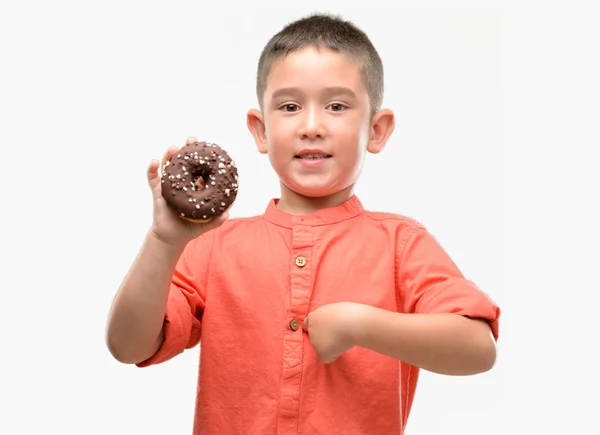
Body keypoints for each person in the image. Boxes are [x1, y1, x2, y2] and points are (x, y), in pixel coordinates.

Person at [106, 12, 501, 435]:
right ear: (260, 131)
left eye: (336, 106)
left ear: (377, 130)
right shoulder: (214, 246)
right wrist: (164, 242)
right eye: (290, 106)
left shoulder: (401, 245)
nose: (312, 126)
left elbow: (477, 348)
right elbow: (128, 346)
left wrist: (360, 324)